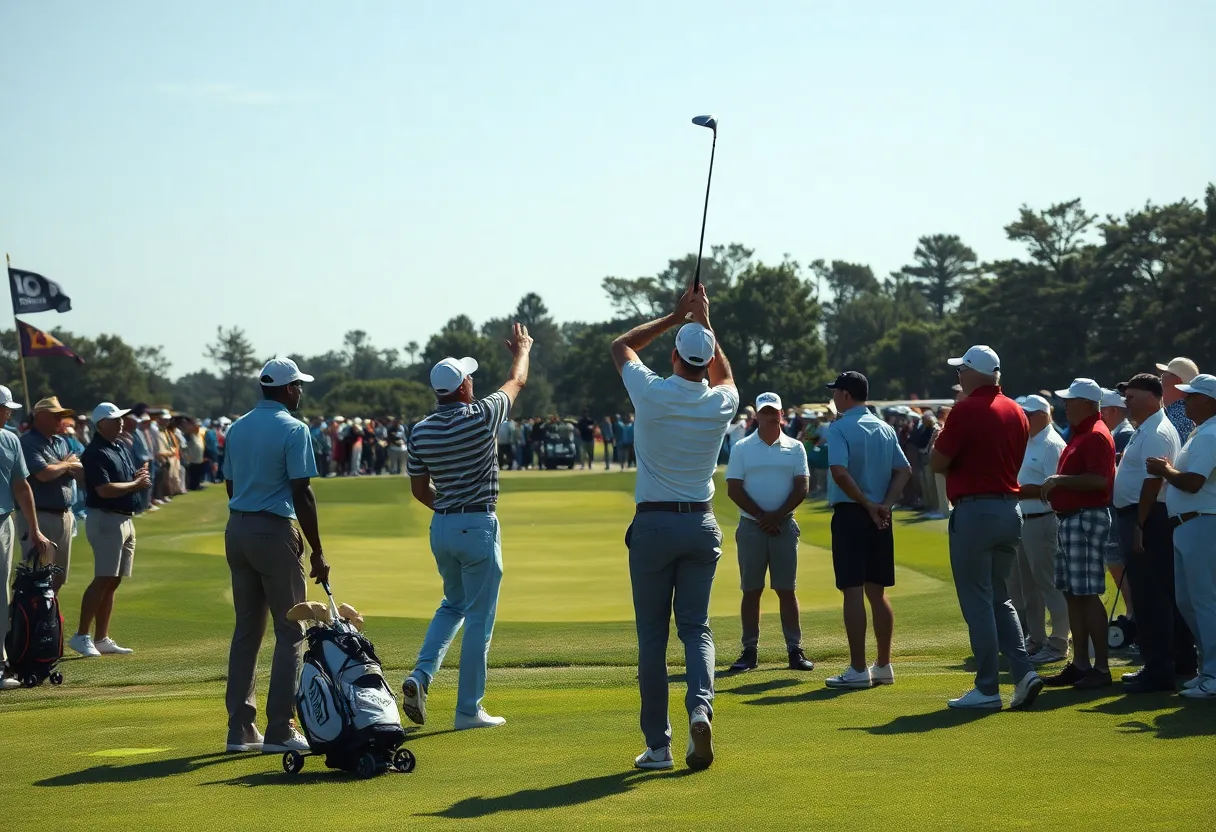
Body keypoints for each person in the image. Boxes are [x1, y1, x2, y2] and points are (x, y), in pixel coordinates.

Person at [610, 285, 737, 772]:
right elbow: (725, 376)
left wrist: (675, 315)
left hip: (653, 525)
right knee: (696, 629)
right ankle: (700, 711)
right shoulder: (721, 404)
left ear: (673, 355)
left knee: (652, 639)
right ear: (706, 359)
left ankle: (659, 747)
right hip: (700, 524)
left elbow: (621, 346)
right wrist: (705, 321)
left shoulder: (650, 391)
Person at [400, 326, 532, 732]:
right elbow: (517, 381)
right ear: (461, 387)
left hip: (442, 526)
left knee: (452, 604)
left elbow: (419, 489)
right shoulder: (482, 415)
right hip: (477, 525)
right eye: (468, 377)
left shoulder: (421, 430)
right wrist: (523, 349)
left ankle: (420, 675)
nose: (472, 380)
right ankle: (468, 710)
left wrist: (448, 509)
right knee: (478, 620)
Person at [222, 357, 329, 755]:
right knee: (291, 630)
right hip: (274, 530)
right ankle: (281, 729)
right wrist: (317, 550)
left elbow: (231, 485)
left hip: (237, 529)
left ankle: (240, 730)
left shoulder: (238, 427)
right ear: (287, 389)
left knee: (247, 631)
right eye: (298, 385)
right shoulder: (294, 428)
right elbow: (302, 491)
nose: (300, 391)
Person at [930, 346, 1040, 710]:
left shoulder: (966, 409)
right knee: (999, 597)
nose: (958, 376)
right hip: (1010, 509)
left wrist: (940, 440)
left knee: (977, 601)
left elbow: (937, 462)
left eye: (961, 370)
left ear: (974, 373)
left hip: (976, 511)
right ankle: (1023, 673)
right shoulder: (1017, 410)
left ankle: (988, 687)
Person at [822, 372, 910, 690]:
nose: (834, 397)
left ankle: (858, 669)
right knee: (877, 591)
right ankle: (883, 665)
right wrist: (884, 504)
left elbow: (839, 472)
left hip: (852, 513)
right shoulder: (885, 428)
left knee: (853, 590)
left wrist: (869, 505)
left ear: (846, 395)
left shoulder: (839, 428)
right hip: (881, 516)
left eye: (836, 392)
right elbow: (904, 470)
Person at [1111, 374, 1191, 693]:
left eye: (1131, 397)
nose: (1126, 403)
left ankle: (1159, 670)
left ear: (1150, 396)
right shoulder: (1146, 427)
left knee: (1150, 596)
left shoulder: (1156, 430)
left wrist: (1140, 525)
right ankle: (1175, 662)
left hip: (1147, 516)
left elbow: (1152, 482)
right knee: (1156, 593)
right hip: (1143, 515)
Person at [724, 391, 813, 673]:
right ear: (757, 416)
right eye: (765, 412)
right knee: (752, 590)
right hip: (752, 526)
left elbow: (802, 486)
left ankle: (795, 650)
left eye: (774, 411)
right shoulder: (742, 448)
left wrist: (777, 516)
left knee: (787, 589)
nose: (770, 416)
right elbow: (734, 488)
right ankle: (749, 650)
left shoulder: (795, 448)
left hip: (784, 526)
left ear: (781, 414)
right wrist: (763, 517)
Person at [1039, 378, 1117, 691]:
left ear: (1085, 403)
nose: (1065, 405)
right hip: (1072, 519)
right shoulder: (1081, 433)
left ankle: (1101, 668)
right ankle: (1081, 664)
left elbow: (1099, 481)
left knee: (1086, 593)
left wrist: (1059, 480)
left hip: (1085, 518)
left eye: (1070, 401)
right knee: (1073, 593)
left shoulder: (1095, 434)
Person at [1147, 373, 1216, 699]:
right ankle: (1207, 669)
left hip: (1202, 522)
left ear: (1210, 401)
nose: (1185, 400)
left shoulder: (1210, 435)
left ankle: (1214, 674)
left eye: (1192, 396)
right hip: (1189, 524)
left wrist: (1165, 470)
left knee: (1204, 601)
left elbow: (1192, 483)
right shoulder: (1201, 432)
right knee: (1189, 601)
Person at [70, 403, 152, 659]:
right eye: (114, 419)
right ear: (100, 424)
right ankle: (81, 635)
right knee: (104, 577)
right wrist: (135, 484)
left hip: (124, 519)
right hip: (106, 519)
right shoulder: (95, 452)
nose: (120, 423)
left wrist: (137, 477)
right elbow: (104, 490)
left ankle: (101, 638)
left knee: (114, 580)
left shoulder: (120, 446)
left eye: (120, 419)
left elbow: (125, 479)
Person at [1008, 395, 1070, 665]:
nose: (1024, 419)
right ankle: (1037, 638)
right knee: (1028, 585)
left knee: (1048, 583)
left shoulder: (1052, 444)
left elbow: (1054, 488)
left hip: (1043, 518)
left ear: (1044, 415)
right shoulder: (1027, 441)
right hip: (1024, 519)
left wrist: (1015, 490)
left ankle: (1059, 641)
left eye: (1028, 415)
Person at [0, 386, 52, 690]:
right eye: (5, 408)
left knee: (0, 594)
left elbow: (21, 486)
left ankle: (0, 662)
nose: (9, 413)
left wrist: (34, 528)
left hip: (3, 523)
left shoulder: (10, 440)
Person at [16, 397, 81, 593]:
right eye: (56, 415)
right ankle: (26, 613)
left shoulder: (61, 441)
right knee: (37, 578)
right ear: (41, 417)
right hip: (39, 516)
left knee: (58, 578)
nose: (61, 419)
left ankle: (50, 612)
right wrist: (66, 464)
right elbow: (44, 474)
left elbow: (78, 468)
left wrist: (60, 467)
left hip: (64, 514)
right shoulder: (27, 442)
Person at [1156, 356, 1199, 443]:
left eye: (1166, 373)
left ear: (1177, 381)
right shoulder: (1181, 412)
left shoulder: (1180, 415)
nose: (1161, 376)